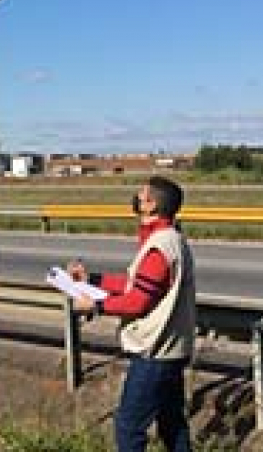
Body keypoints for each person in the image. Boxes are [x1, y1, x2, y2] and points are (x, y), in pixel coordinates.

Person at [67, 175, 196, 452]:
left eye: (141, 195)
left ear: (151, 206)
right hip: (171, 349)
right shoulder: (169, 239)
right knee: (172, 423)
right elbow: (135, 284)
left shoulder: (159, 248)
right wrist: (92, 281)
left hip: (155, 352)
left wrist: (96, 305)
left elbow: (138, 301)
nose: (136, 198)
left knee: (128, 426)